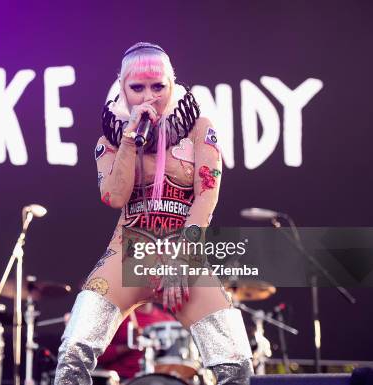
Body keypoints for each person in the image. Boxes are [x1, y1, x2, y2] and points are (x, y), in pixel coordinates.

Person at [53, 42, 253, 385]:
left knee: (235, 361)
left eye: (158, 86)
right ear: (122, 88)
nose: (149, 96)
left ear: (172, 84)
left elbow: (207, 195)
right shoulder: (110, 139)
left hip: (183, 251)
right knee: (73, 350)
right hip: (129, 251)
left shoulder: (200, 128)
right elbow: (114, 197)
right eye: (138, 87)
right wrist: (130, 139)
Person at [97, 303, 175, 380]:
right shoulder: (117, 316)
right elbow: (97, 355)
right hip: (120, 379)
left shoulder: (168, 321)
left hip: (156, 380)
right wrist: (128, 347)